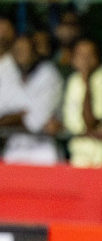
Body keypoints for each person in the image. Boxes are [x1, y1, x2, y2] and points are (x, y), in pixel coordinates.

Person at [0, 32, 63, 165]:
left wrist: (11, 118)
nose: (21, 54)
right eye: (17, 51)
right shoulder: (6, 72)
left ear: (35, 52)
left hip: (42, 147)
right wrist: (19, 115)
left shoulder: (50, 74)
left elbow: (36, 121)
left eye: (25, 50)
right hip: (13, 146)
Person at [60, 37, 102, 168]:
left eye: (89, 55)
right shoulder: (73, 80)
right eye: (80, 55)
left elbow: (90, 123)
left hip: (99, 157)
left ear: (98, 58)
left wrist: (87, 81)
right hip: (76, 154)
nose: (84, 60)